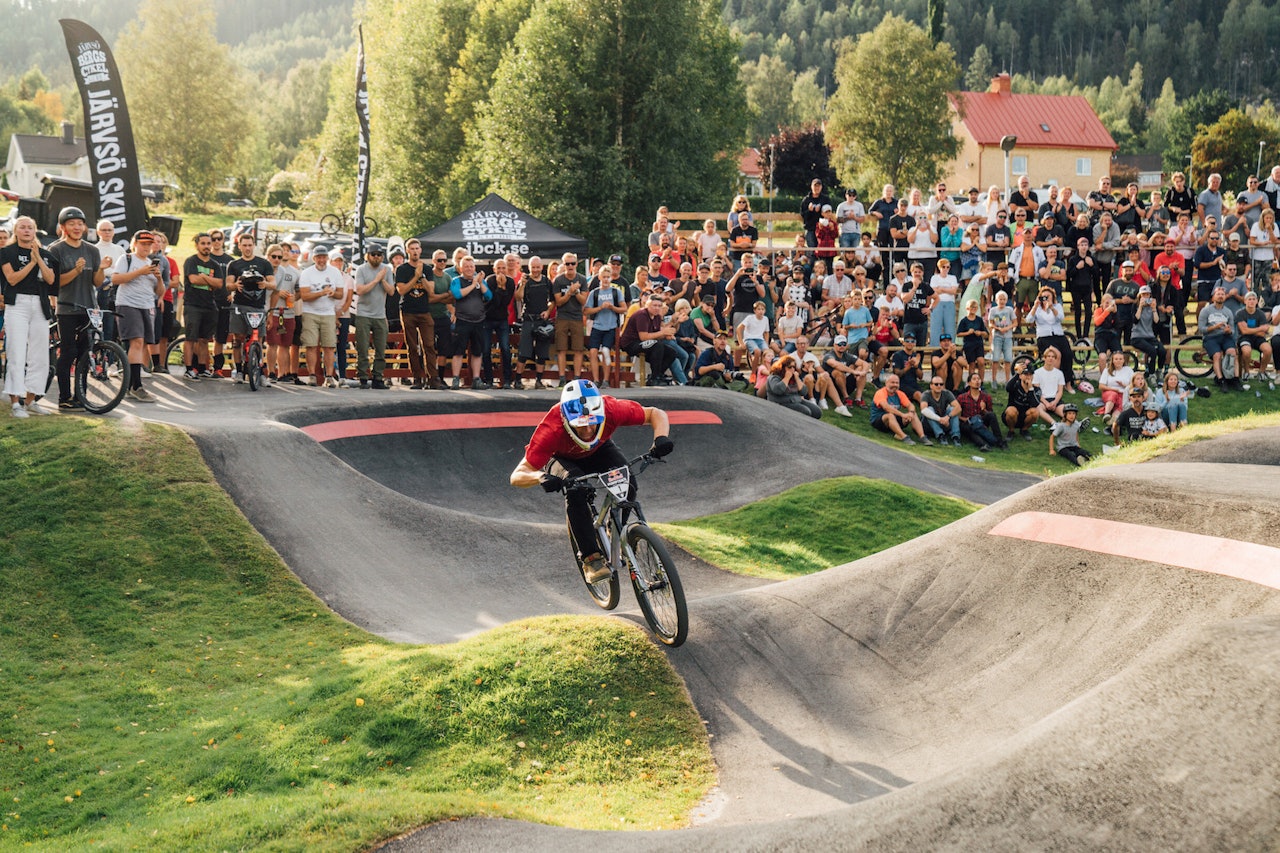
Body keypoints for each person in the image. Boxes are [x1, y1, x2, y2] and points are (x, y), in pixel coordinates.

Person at [510, 380, 671, 583]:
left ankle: (617, 527)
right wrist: (539, 477)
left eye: (592, 423)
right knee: (575, 488)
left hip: (600, 449)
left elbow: (655, 413)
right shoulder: (551, 429)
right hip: (561, 457)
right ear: (567, 421)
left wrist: (660, 438)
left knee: (627, 480)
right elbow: (517, 475)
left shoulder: (612, 409)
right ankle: (590, 558)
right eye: (580, 426)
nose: (587, 430)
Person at [1, 215, 57, 416]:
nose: (26, 230)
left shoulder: (45, 254)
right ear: (16, 231)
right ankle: (16, 402)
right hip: (17, 305)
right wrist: (32, 264)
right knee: (16, 352)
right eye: (22, 227)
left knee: (40, 355)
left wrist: (38, 259)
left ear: (35, 231)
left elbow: (50, 279)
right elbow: (12, 279)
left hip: (40, 305)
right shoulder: (6, 252)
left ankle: (32, 399)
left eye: (30, 228)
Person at [49, 207, 103, 411]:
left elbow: (96, 282)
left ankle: (81, 396)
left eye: (80, 223)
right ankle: (64, 397)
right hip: (66, 309)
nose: (77, 227)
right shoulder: (56, 250)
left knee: (84, 353)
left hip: (88, 308)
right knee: (68, 352)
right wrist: (75, 271)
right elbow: (55, 283)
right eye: (71, 224)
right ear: (63, 227)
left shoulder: (92, 250)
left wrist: (103, 269)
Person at [110, 230, 167, 402]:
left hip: (147, 305)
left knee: (143, 344)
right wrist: (140, 272)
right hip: (128, 304)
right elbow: (115, 279)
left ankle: (130, 384)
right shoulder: (126, 259)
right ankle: (136, 385)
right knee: (137, 341)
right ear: (134, 244)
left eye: (149, 244)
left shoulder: (152, 263)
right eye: (143, 244)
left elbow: (160, 292)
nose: (146, 247)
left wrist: (158, 278)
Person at [297, 244, 346, 387]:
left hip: (328, 313)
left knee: (329, 346)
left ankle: (329, 376)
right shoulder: (307, 273)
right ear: (314, 258)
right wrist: (321, 293)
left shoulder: (335, 272)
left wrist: (332, 293)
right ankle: (312, 375)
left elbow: (340, 294)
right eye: (318, 257)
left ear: (327, 258)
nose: (321, 260)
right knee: (311, 345)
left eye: (324, 257)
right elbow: (304, 296)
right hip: (310, 312)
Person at [350, 245, 393, 389]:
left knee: (381, 348)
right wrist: (376, 280)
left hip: (380, 314)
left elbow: (392, 291)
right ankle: (362, 376)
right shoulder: (361, 269)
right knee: (362, 347)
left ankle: (378, 377)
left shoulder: (386, 269)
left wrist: (382, 279)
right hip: (363, 313)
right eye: (373, 254)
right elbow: (360, 290)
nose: (376, 257)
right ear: (367, 256)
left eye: (379, 254)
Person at [619, 292, 678, 385]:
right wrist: (663, 332)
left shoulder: (657, 317)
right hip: (631, 343)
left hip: (646, 342)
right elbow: (644, 337)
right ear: (648, 305)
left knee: (671, 352)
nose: (657, 308)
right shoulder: (642, 315)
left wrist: (666, 334)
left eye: (659, 306)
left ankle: (658, 375)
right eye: (654, 305)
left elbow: (655, 334)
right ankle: (654, 379)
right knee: (658, 346)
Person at [265, 243, 298, 383]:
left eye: (281, 255)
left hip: (286, 311)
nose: (278, 258)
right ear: (268, 256)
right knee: (272, 343)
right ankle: (270, 372)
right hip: (268, 309)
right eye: (274, 256)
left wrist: (293, 297)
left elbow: (299, 292)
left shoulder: (292, 272)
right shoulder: (263, 268)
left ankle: (283, 374)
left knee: (285, 344)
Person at [871, 372, 930, 444]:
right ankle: (903, 436)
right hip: (880, 420)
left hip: (895, 419)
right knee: (890, 415)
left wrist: (910, 413)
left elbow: (910, 405)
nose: (895, 385)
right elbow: (886, 408)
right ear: (886, 383)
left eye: (897, 383)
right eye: (892, 382)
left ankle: (922, 437)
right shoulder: (880, 393)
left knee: (913, 414)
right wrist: (902, 415)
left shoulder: (900, 394)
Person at [1199, 285, 1239, 389]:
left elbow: (1233, 330)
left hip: (1225, 337)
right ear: (1213, 297)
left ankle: (1235, 379)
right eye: (1218, 294)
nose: (1220, 296)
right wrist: (1214, 327)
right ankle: (1221, 380)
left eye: (1222, 294)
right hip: (1210, 337)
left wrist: (1229, 331)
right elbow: (1201, 329)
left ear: (1225, 297)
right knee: (1217, 355)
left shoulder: (1228, 312)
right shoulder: (1206, 311)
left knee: (1233, 353)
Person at [958, 371, 1006, 450]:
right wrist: (967, 419)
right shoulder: (962, 397)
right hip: (968, 422)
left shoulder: (986, 397)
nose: (977, 381)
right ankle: (985, 444)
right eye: (974, 379)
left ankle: (999, 439)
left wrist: (983, 410)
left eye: (978, 379)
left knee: (991, 415)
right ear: (969, 383)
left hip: (981, 421)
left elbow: (990, 414)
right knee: (971, 428)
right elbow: (957, 415)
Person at [821, 335, 864, 414]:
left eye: (844, 344)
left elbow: (865, 364)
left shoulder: (847, 355)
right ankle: (845, 397)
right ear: (834, 345)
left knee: (861, 368)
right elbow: (835, 365)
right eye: (839, 344)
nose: (842, 346)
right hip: (831, 385)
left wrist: (862, 372)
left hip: (843, 382)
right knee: (837, 372)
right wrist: (853, 371)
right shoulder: (829, 355)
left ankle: (858, 398)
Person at [1005, 367, 1050, 440]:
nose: (1028, 377)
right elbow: (1007, 388)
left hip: (1026, 416)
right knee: (1011, 411)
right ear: (1021, 376)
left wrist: (1030, 389)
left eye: (1030, 375)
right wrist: (1017, 375)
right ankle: (1011, 431)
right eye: (1026, 374)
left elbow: (1035, 404)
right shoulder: (1015, 385)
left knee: (1035, 412)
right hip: (1012, 414)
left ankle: (1024, 430)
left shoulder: (1036, 389)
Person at [1235, 290, 1273, 377]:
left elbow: (1263, 333)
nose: (1251, 301)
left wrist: (1249, 329)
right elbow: (1243, 331)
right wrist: (1259, 328)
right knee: (1246, 351)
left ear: (1256, 301)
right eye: (1249, 299)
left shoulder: (1261, 314)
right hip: (1244, 338)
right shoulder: (1240, 314)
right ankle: (1247, 372)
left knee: (1268, 349)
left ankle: (1262, 372)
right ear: (1245, 301)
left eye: (1253, 299)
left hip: (1258, 338)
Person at [920, 375, 963, 446]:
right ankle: (940, 435)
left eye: (941, 384)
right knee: (929, 409)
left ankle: (956, 437)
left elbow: (958, 408)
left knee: (953, 409)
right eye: (936, 384)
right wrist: (940, 419)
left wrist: (948, 417)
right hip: (928, 424)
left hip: (944, 422)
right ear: (931, 385)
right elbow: (923, 410)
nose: (939, 386)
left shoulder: (947, 393)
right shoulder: (926, 394)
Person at [986, 289, 1016, 388]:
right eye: (1000, 299)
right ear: (996, 300)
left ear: (1006, 300)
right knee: (995, 359)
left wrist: (1007, 328)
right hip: (997, 336)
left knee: (1008, 359)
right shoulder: (993, 310)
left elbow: (1015, 322)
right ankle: (994, 380)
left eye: (1004, 299)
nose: (1002, 301)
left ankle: (1008, 380)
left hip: (1007, 337)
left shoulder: (1009, 310)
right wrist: (997, 328)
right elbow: (990, 323)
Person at [956, 298, 988, 385]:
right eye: (971, 307)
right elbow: (958, 334)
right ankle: (972, 382)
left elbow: (985, 333)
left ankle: (981, 382)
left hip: (978, 343)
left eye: (975, 307)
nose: (973, 309)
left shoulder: (979, 320)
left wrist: (980, 333)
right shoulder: (964, 321)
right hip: (969, 344)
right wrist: (967, 333)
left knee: (981, 362)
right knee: (972, 364)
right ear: (967, 308)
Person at [800, 179, 831, 247]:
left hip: (823, 229)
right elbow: (803, 215)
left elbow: (829, 213)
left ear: (821, 187)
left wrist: (820, 211)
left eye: (818, 186)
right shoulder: (806, 200)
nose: (817, 188)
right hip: (810, 228)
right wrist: (809, 210)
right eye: (815, 186)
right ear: (811, 186)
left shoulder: (825, 199)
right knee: (812, 252)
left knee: (823, 251)